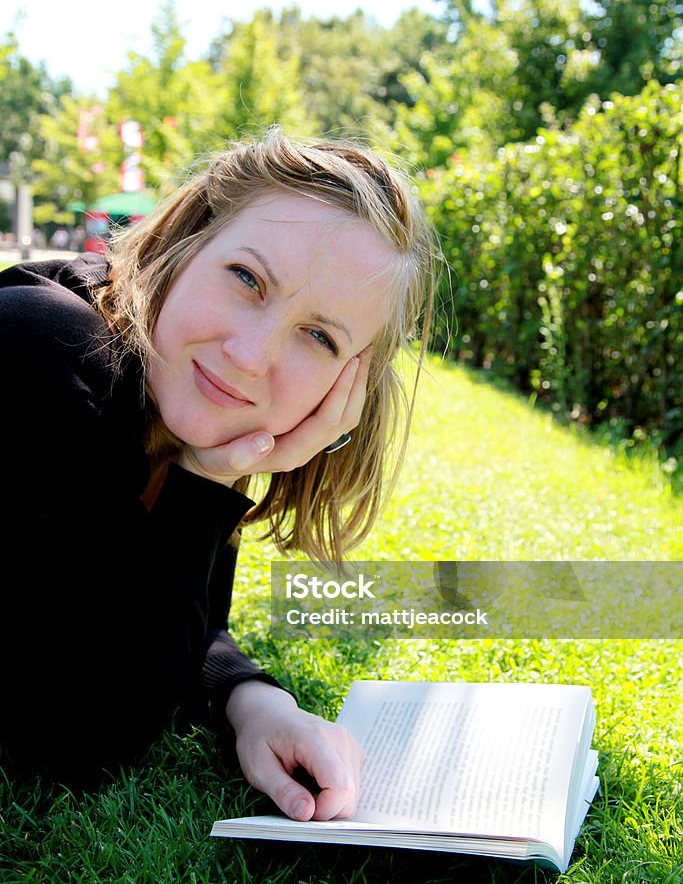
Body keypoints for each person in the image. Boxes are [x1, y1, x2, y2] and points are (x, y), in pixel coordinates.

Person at [0, 129, 436, 821]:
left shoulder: (188, 414)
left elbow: (169, 617)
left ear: (346, 389)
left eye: (319, 337)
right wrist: (202, 488)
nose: (250, 354)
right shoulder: (42, 346)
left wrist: (254, 701)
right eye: (246, 278)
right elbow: (77, 735)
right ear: (182, 248)